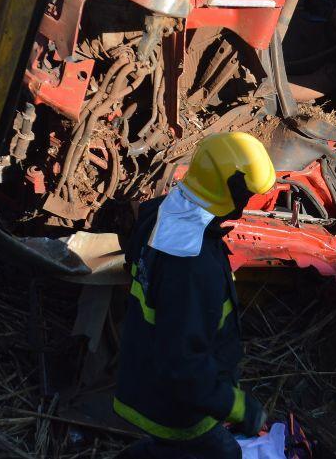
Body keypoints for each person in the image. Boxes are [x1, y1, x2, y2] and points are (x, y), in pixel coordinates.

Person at [114, 132, 276, 458]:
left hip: (143, 374)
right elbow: (183, 363)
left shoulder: (163, 211)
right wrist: (240, 408)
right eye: (247, 196)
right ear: (234, 192)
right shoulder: (191, 265)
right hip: (175, 405)